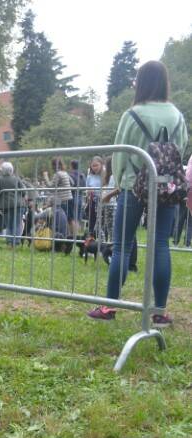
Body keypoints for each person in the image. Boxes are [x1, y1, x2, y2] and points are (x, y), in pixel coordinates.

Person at [87, 60, 188, 326]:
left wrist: (122, 181)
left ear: (141, 83)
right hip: (166, 187)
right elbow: (182, 147)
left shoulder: (132, 115)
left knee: (121, 246)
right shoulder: (177, 115)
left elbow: (120, 154)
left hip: (133, 187)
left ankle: (110, 308)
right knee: (160, 245)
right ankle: (160, 312)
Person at [0, 161, 25, 246]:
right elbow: (24, 191)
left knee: (9, 224)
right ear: (11, 170)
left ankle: (10, 242)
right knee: (17, 224)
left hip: (6, 206)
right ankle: (15, 242)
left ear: (2, 170)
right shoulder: (16, 179)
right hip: (18, 205)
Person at [42, 157, 74, 234]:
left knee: (61, 221)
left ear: (53, 165)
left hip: (62, 200)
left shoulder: (58, 174)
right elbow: (72, 183)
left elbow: (51, 188)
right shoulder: (65, 173)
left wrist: (45, 177)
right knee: (69, 220)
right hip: (69, 199)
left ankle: (62, 237)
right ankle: (71, 237)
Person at [85, 156, 105, 236]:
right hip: (92, 202)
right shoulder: (89, 177)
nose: (95, 167)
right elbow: (86, 189)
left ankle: (103, 239)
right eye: (93, 166)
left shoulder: (105, 174)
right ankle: (91, 238)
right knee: (92, 221)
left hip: (103, 201)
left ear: (101, 165)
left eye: (97, 165)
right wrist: (88, 191)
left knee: (102, 222)